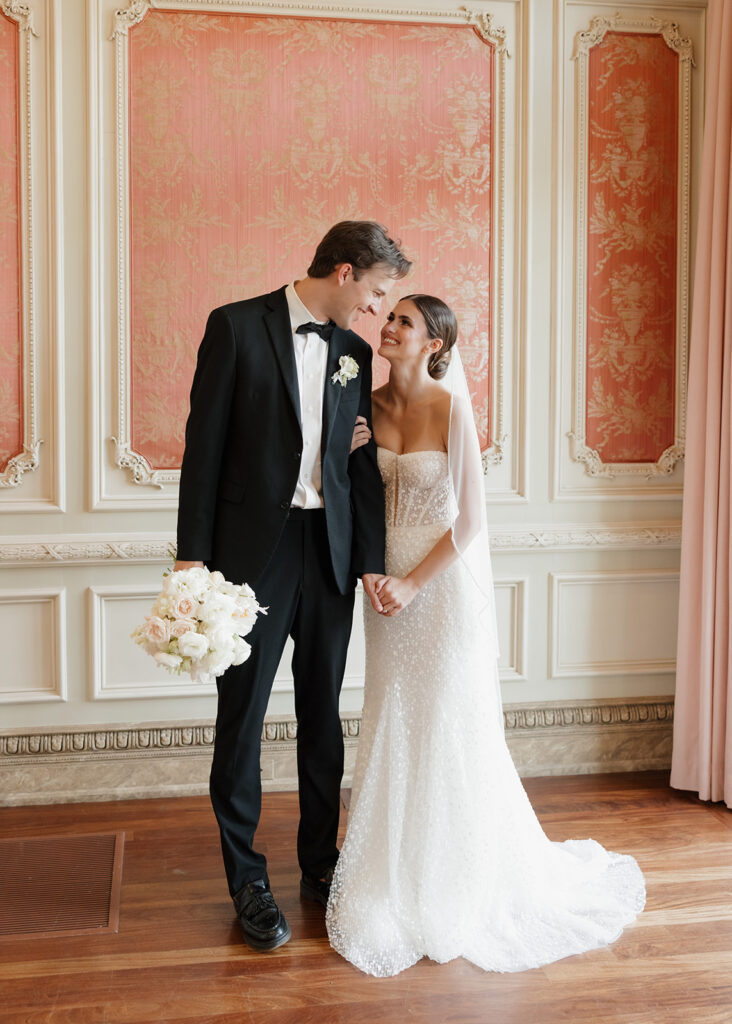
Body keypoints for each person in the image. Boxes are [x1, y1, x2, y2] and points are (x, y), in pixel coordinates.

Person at [326, 294, 646, 976]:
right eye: (388, 318)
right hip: (385, 590)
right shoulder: (365, 410)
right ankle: (390, 874)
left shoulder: (450, 409)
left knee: (446, 720)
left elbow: (469, 523)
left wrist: (413, 584)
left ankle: (456, 878)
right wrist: (374, 576)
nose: (387, 327)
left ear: (435, 342)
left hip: (440, 591)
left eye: (403, 321)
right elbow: (353, 505)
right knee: (394, 719)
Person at [174, 221, 412, 951]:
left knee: (322, 718)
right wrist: (192, 561)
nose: (376, 311)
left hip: (330, 555)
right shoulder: (237, 328)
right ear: (344, 273)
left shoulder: (352, 354)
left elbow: (358, 472)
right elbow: (202, 451)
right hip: (253, 558)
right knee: (241, 722)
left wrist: (369, 559)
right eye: (374, 293)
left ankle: (319, 866)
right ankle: (247, 880)